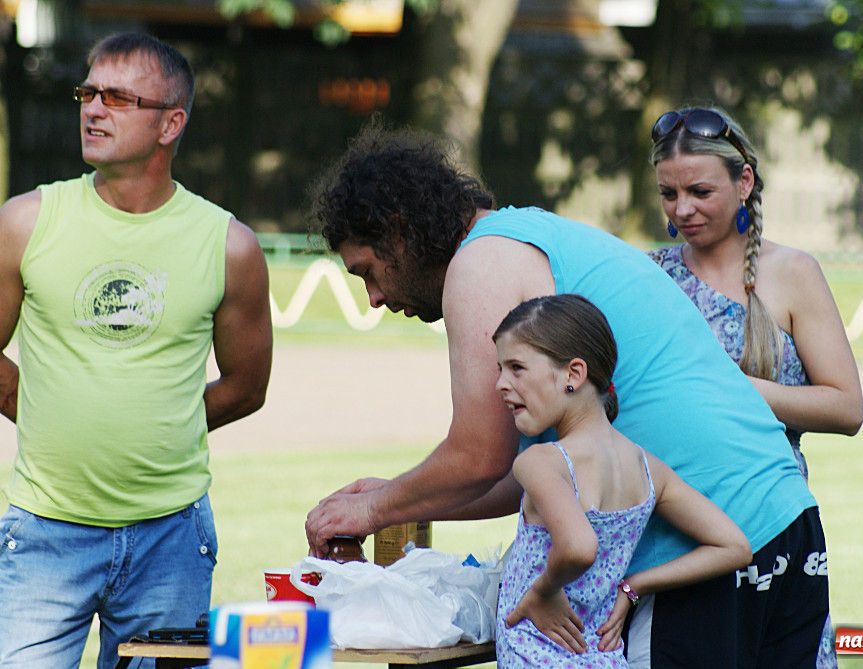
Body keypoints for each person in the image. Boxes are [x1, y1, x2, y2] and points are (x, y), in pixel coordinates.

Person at [304, 122, 831, 667]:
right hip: (785, 523)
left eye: (368, 271)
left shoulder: (482, 262)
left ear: (398, 231)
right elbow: (527, 477)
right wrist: (399, 496)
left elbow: (479, 456)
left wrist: (372, 509)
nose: (373, 298)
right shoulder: (532, 233)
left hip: (700, 555)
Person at [0, 33, 272, 667]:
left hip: (171, 539)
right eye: (87, 93)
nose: (93, 109)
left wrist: (158, 427)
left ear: (170, 123)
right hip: (44, 532)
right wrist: (43, 412)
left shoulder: (228, 245)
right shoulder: (26, 221)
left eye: (118, 97)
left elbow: (246, 384)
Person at [491, 294, 751, 667]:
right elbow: (734, 546)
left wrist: (544, 592)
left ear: (573, 374)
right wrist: (634, 587)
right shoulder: (648, 469)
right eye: (500, 369)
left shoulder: (541, 463)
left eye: (516, 368)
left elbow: (579, 547)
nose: (501, 383)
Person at [647, 106, 863, 480]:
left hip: (771, 510)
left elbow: (846, 408)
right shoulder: (649, 275)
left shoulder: (794, 272)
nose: (682, 209)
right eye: (669, 193)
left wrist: (734, 390)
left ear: (744, 182)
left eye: (700, 191)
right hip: (672, 509)